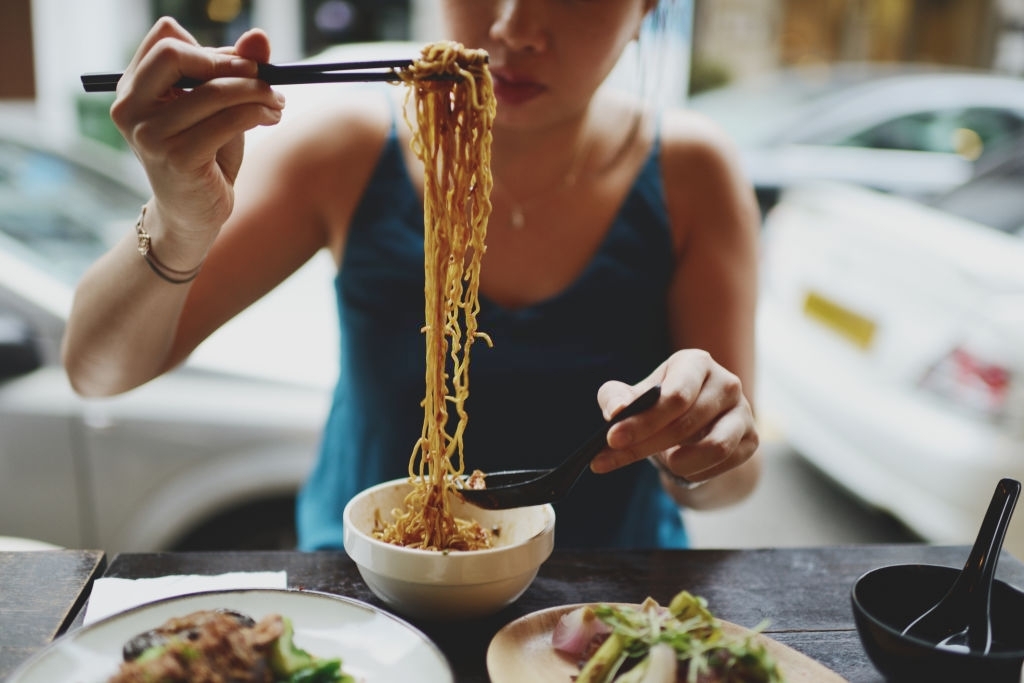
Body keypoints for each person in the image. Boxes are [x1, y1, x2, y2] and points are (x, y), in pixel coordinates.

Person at [62, 0, 762, 551]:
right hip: (371, 586)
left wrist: (689, 450)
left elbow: (734, 480)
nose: (514, 28)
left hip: (601, 601)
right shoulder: (343, 152)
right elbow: (99, 370)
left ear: (645, 10)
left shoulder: (693, 174)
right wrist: (180, 222)